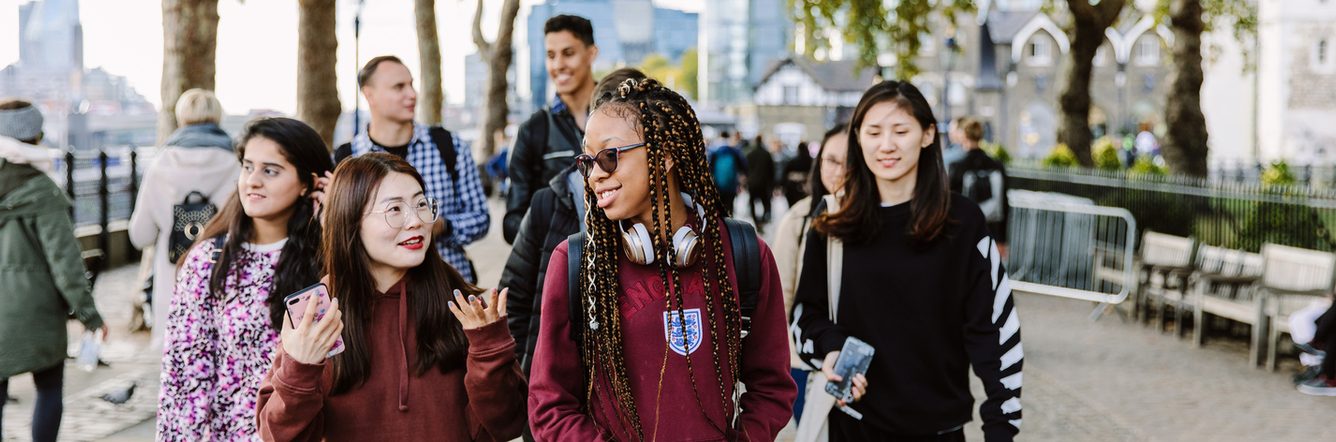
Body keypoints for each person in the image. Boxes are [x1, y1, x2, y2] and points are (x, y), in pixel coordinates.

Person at [527, 78, 796, 440]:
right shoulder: (575, 263)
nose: (595, 176)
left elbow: (773, 387)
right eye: (586, 162)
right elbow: (549, 405)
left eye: (609, 157)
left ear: (664, 153)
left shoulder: (744, 253)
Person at [791, 81, 1023, 441]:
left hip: (938, 430)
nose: (887, 145)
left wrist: (1001, 428)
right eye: (873, 132)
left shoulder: (963, 223)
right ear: (858, 138)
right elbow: (806, 314)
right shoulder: (834, 218)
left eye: (901, 131)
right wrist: (833, 350)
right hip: (852, 427)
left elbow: (994, 331)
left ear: (928, 134)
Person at [256, 153, 527, 441]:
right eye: (394, 209)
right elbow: (279, 436)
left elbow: (508, 424)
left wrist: (489, 350)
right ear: (351, 220)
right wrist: (300, 368)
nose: (416, 221)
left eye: (421, 204)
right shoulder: (319, 312)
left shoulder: (461, 304)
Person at [157, 117, 333, 440]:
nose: (252, 181)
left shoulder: (329, 257)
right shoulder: (210, 261)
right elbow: (183, 379)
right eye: (248, 167)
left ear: (308, 183)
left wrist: (336, 225)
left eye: (270, 171)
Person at [502, 67, 647, 378]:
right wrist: (531, 392)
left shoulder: (701, 232)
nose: (599, 174)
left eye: (613, 155)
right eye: (594, 158)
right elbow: (512, 303)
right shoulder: (551, 207)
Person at [0, 99, 106, 442]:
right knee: (48, 388)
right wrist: (89, 315)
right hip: (35, 308)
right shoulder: (43, 191)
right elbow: (66, 261)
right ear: (35, 136)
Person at [336, 55, 490, 283]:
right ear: (370, 95)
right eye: (399, 87)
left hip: (448, 286)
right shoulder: (347, 158)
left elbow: (480, 217)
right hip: (376, 292)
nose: (412, 94)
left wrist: (443, 226)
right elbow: (339, 231)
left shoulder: (448, 145)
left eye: (411, 84)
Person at [128, 88, 240, 347]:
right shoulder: (238, 163)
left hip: (174, 284)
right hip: (226, 275)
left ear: (180, 118)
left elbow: (140, 235)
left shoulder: (161, 163)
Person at [772, 123, 848, 422]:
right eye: (831, 160)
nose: (839, 171)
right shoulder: (800, 218)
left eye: (849, 162)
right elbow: (782, 296)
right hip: (804, 361)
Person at [505, 14, 599, 244]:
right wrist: (555, 242)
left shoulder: (622, 118)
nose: (558, 65)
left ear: (591, 54)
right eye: (550, 55)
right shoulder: (532, 131)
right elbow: (512, 222)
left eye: (568, 53)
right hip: (561, 267)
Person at [949, 117, 1010, 257]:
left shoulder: (957, 166)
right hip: (991, 231)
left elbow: (950, 203)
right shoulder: (996, 165)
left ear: (963, 135)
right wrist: (1002, 239)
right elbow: (1004, 203)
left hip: (963, 232)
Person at [708, 130, 747, 216]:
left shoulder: (714, 150)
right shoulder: (734, 150)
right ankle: (730, 221)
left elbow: (709, 167)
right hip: (731, 183)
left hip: (718, 184)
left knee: (720, 206)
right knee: (730, 205)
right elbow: (743, 165)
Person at [745, 134, 776, 228]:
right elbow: (771, 170)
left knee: (752, 202)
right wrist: (772, 183)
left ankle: (756, 220)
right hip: (764, 183)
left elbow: (746, 169)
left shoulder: (750, 154)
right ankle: (763, 220)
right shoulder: (767, 154)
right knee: (765, 202)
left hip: (752, 182)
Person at [780, 139, 813, 207]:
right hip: (807, 189)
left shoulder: (792, 161)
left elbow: (785, 174)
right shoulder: (811, 161)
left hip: (792, 189)